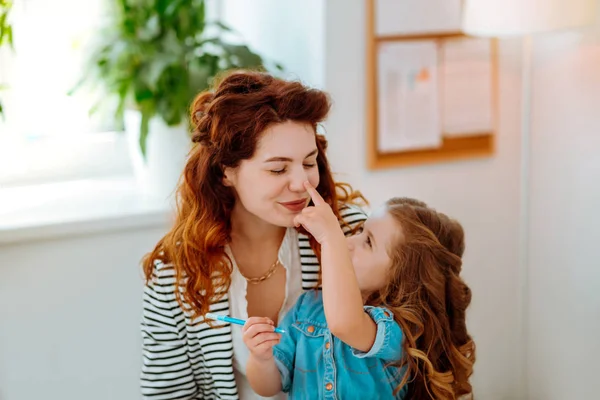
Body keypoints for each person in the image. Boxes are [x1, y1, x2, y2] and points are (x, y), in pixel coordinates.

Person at [140, 71, 367, 400]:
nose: (301, 183)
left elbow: (407, 352)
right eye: (277, 169)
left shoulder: (350, 234)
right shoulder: (177, 272)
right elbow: (167, 394)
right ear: (226, 172)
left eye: (309, 162)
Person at [244, 183, 476, 399]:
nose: (348, 242)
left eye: (368, 242)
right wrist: (261, 359)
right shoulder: (306, 307)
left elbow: (345, 324)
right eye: (360, 231)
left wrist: (330, 237)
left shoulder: (398, 328)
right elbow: (267, 387)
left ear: (401, 277)